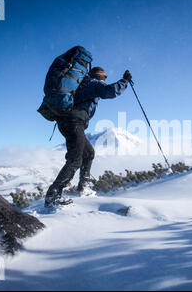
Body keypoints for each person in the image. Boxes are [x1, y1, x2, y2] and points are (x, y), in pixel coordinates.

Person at [45, 67, 132, 206]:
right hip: (74, 122)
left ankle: (83, 187)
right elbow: (111, 91)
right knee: (75, 159)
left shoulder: (83, 84)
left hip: (68, 122)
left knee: (89, 153)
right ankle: (53, 195)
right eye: (104, 77)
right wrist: (125, 81)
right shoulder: (93, 83)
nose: (104, 80)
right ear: (100, 77)